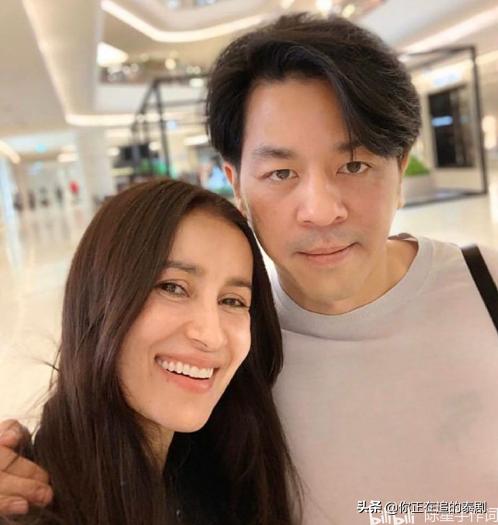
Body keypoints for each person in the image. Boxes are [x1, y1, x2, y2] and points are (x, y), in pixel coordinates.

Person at [2, 12, 498, 525]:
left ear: (401, 168)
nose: (320, 210)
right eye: (281, 172)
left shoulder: (486, 283)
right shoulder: (226, 366)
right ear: (236, 184)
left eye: (354, 165)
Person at [0, 179, 301, 524]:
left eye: (232, 301)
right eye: (173, 287)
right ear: (99, 298)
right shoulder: (28, 506)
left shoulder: (223, 479)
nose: (211, 335)